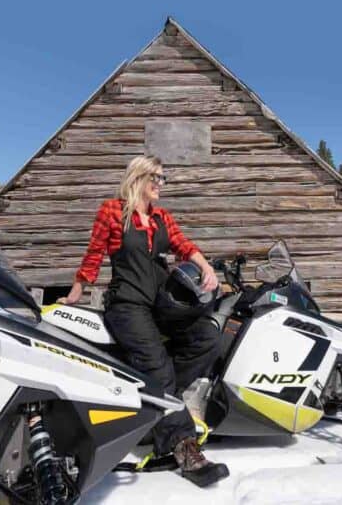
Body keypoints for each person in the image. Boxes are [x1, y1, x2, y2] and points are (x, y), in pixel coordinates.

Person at [60, 155, 229, 487]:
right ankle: (185, 448)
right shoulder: (113, 211)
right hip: (126, 305)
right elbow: (93, 254)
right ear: (140, 177)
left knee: (207, 339)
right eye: (159, 178)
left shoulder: (161, 217)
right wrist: (76, 291)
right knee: (159, 367)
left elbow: (183, 245)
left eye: (164, 179)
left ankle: (157, 401)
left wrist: (206, 267)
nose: (161, 185)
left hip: (159, 306)